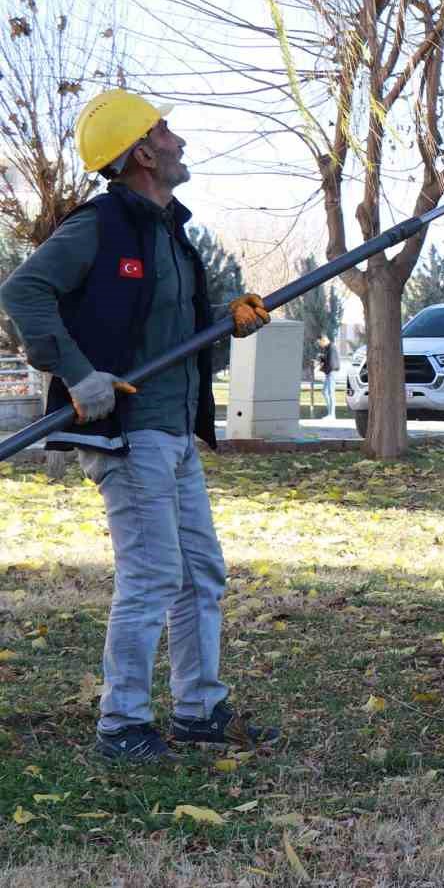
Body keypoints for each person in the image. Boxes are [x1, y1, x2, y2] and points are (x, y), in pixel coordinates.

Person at [0, 88, 281, 763]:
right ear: (142, 152)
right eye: (164, 129)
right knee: (152, 577)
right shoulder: (98, 226)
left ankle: (199, 710)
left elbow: (164, 321)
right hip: (127, 432)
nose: (177, 138)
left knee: (200, 574)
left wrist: (227, 320)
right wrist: (76, 371)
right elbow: (21, 292)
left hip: (174, 429)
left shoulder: (169, 229)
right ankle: (122, 723)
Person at [317, 336, 339, 419]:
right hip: (328, 373)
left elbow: (331, 363)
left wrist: (322, 367)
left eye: (320, 343)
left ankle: (332, 415)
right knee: (324, 392)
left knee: (330, 392)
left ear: (324, 340)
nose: (320, 345)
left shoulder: (331, 347)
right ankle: (330, 413)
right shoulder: (327, 348)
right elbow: (327, 359)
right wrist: (321, 358)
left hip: (331, 372)